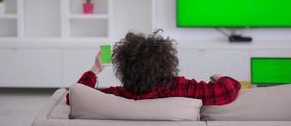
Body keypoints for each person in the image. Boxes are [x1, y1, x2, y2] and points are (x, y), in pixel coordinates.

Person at [66, 30, 241, 105]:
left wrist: (94, 69)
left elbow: (73, 97)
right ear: (167, 63)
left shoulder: (114, 96)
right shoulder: (182, 89)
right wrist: (217, 76)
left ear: (124, 67)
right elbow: (228, 90)